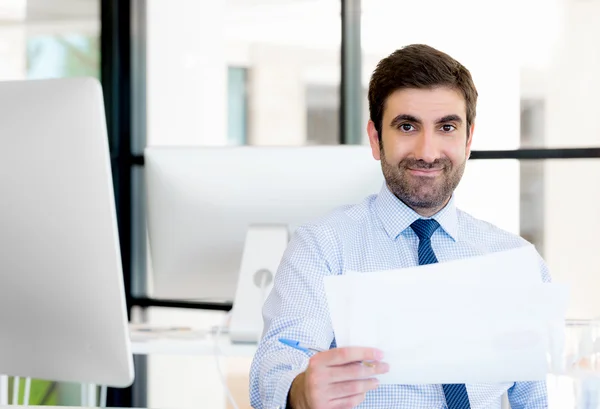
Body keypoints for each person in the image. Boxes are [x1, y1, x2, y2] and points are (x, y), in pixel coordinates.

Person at [249, 44, 550, 409]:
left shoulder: (516, 261)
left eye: (447, 127)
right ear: (376, 139)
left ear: (468, 140)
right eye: (407, 126)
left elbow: (534, 399)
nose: (427, 151)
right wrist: (300, 392)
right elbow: (276, 363)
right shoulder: (321, 247)